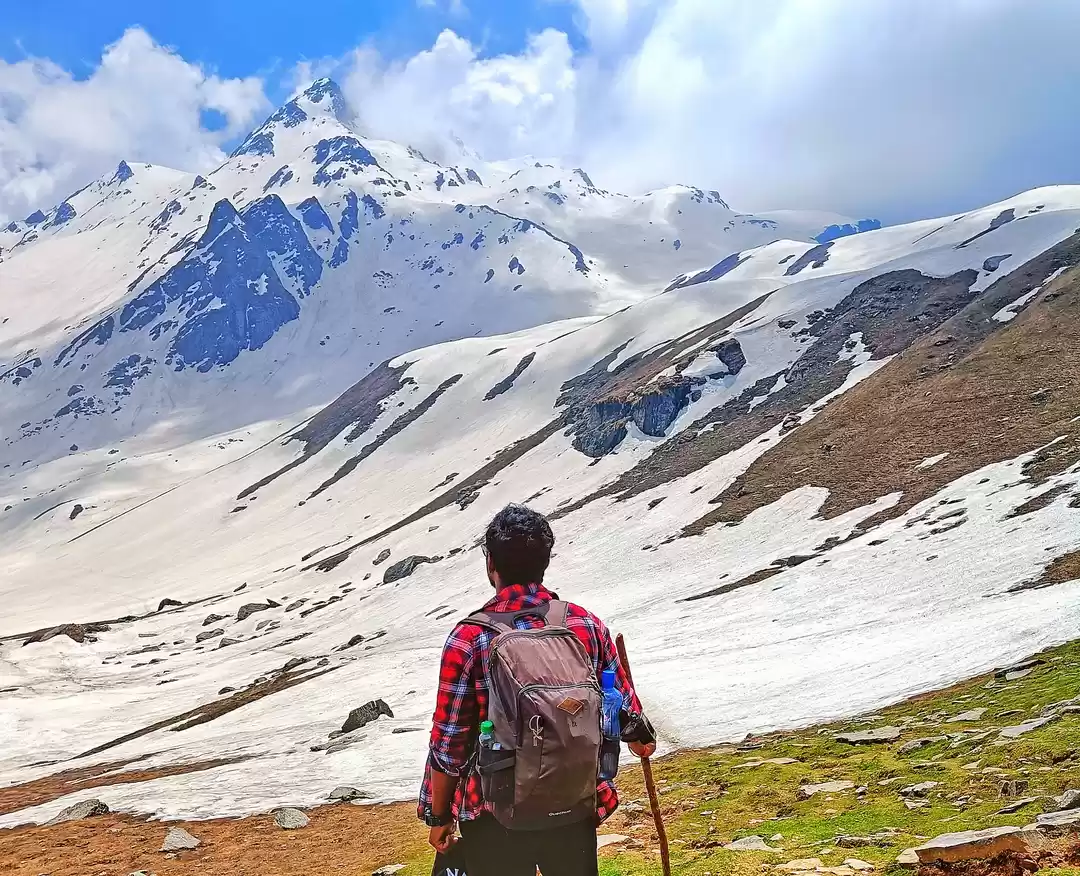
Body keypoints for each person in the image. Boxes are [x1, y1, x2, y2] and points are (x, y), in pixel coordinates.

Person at [418, 503, 656, 876]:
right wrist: (640, 737)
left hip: (492, 810)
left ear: (490, 566)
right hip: (574, 800)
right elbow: (624, 710)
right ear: (544, 562)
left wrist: (438, 814)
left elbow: (449, 744)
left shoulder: (470, 638)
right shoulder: (584, 625)